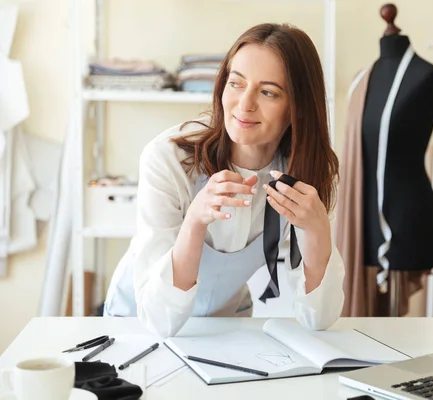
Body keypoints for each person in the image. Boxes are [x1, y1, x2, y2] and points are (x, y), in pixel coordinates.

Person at [103, 23, 345, 338]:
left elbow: (320, 320)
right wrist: (194, 222)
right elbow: (158, 320)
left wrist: (317, 232)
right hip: (137, 324)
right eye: (236, 84)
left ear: (296, 108)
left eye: (268, 92)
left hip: (225, 329)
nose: (245, 105)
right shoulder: (167, 159)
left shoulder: (308, 171)